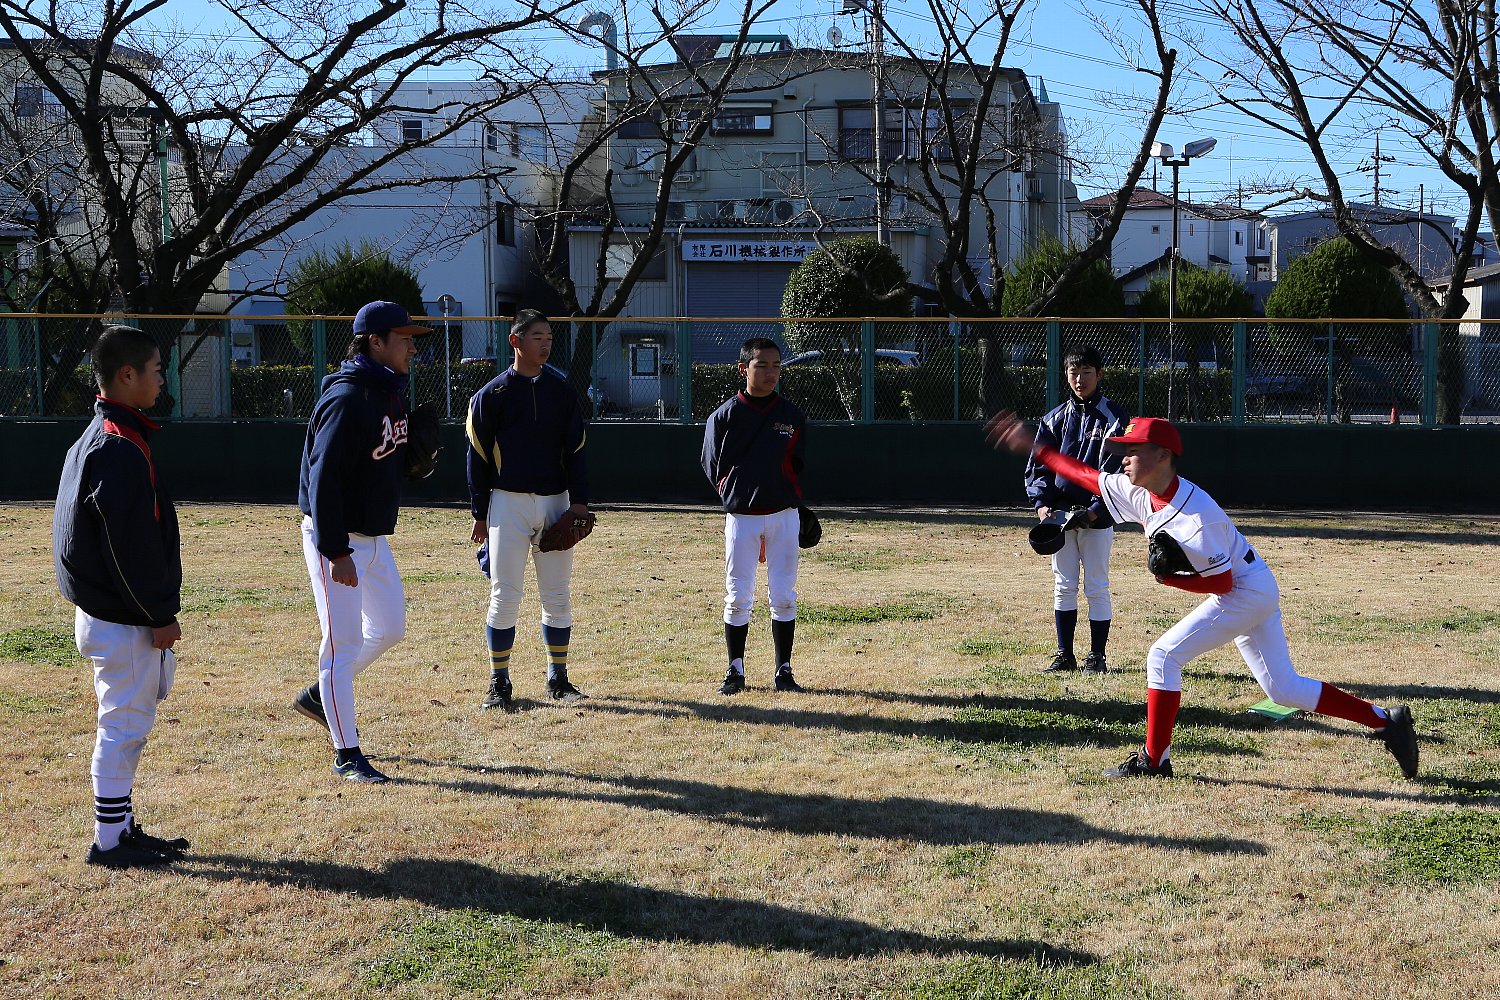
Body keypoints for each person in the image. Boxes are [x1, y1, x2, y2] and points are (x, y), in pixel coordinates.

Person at [987, 412, 1419, 779]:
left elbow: (1222, 585)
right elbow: (1084, 475)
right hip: (1254, 583)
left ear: (1163, 456)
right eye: (1124, 450)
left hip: (1245, 590)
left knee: (1162, 657)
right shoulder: (1137, 487)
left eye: (1133, 450)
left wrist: (1170, 580)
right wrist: (1037, 448)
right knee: (1283, 688)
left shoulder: (1196, 517)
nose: (1124, 457)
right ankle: (1386, 720)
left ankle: (1155, 760)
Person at [54, 324, 191, 866]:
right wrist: (158, 615)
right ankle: (110, 842)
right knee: (124, 726)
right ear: (126, 375)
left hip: (109, 614)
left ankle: (122, 826)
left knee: (127, 719)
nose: (162, 379)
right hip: (123, 617)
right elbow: (126, 547)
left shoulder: (102, 435)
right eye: (156, 370)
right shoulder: (118, 446)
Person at [291, 300, 432, 784]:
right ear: (375, 342)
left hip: (372, 535)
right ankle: (346, 753)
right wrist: (335, 551)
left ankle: (319, 695)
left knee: (390, 628)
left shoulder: (390, 389)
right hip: (337, 538)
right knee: (342, 644)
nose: (413, 346)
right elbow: (323, 479)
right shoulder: (348, 397)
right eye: (405, 338)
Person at [466, 309, 591, 712]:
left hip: (556, 501)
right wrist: (479, 514)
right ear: (515, 341)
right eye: (538, 336)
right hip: (508, 501)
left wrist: (579, 503)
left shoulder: (562, 391)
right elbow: (478, 458)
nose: (546, 342)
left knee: (557, 594)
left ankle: (559, 677)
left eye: (550, 336)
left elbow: (576, 452)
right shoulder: (492, 395)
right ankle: (499, 681)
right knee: (505, 593)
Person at [701, 337, 808, 695]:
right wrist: (735, 495)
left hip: (782, 516)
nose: (770, 372)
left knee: (784, 594)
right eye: (761, 365)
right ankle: (735, 670)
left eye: (776, 365)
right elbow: (711, 465)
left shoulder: (791, 416)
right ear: (743, 368)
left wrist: (794, 502)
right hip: (742, 517)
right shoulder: (725, 415)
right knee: (738, 595)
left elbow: (797, 465)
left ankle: (784, 670)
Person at [1024, 345, 1130, 673]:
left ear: (1099, 375)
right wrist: (1042, 506)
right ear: (1065, 375)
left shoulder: (1116, 418)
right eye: (1073, 372)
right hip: (1059, 517)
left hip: (1097, 516)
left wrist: (1097, 509)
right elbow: (1038, 466)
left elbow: (1117, 471)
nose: (1079, 378)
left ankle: (1097, 656)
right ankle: (1064, 654)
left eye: (1086, 372)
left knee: (1096, 583)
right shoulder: (1054, 419)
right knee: (1064, 583)